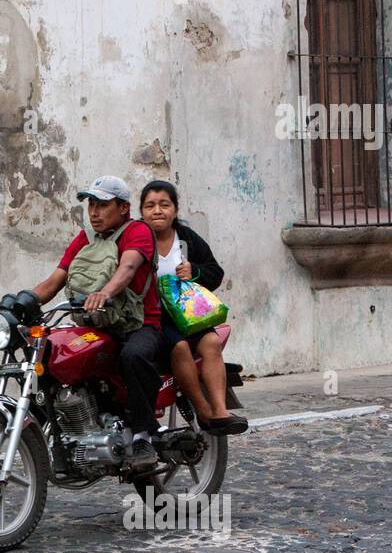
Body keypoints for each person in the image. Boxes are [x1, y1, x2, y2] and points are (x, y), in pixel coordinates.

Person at [28, 176, 161, 472]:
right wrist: (21, 301)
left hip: (136, 324)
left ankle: (143, 436)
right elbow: (54, 281)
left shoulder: (138, 231)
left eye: (103, 205)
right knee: (52, 354)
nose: (94, 212)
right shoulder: (86, 238)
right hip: (96, 325)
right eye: (91, 205)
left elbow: (127, 268)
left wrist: (105, 292)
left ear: (124, 207)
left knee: (134, 356)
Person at [139, 180, 247, 435]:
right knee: (179, 347)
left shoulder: (186, 239)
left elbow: (215, 273)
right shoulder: (137, 239)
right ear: (141, 212)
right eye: (150, 205)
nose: (157, 211)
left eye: (164, 204)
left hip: (187, 314)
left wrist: (194, 271)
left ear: (175, 209)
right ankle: (202, 409)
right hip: (155, 317)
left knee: (210, 343)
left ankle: (220, 410)